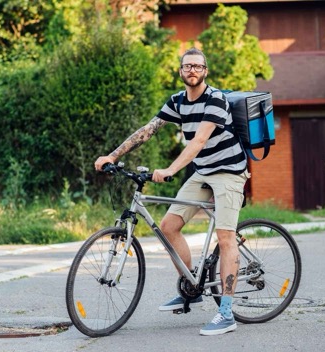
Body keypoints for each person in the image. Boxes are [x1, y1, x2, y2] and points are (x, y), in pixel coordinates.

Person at [94, 47, 249, 336]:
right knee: (168, 226)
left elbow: (199, 141)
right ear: (180, 71)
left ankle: (227, 313)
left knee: (225, 237)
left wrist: (170, 170)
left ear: (205, 71)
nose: (192, 70)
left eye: (198, 66)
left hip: (229, 171)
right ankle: (191, 288)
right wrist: (112, 156)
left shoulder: (215, 99)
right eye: (187, 66)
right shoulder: (177, 101)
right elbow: (148, 129)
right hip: (203, 171)